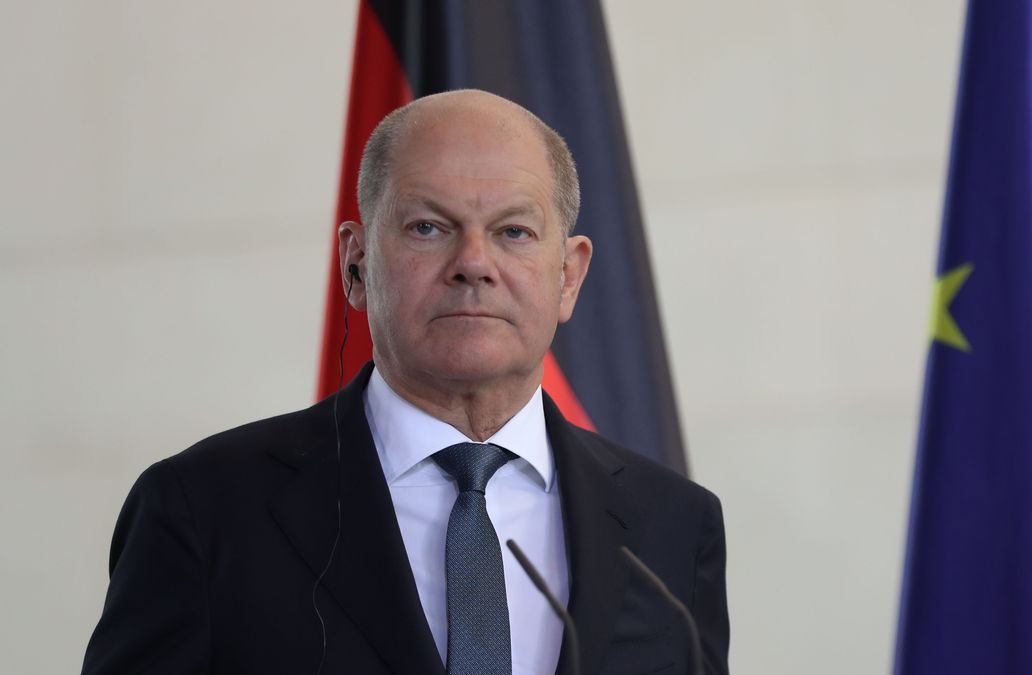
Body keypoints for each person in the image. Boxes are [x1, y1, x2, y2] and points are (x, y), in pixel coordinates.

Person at [82, 90, 729, 675]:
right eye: (428, 227)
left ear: (569, 276)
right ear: (356, 263)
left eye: (513, 231)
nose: (473, 263)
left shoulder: (672, 525)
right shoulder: (204, 508)